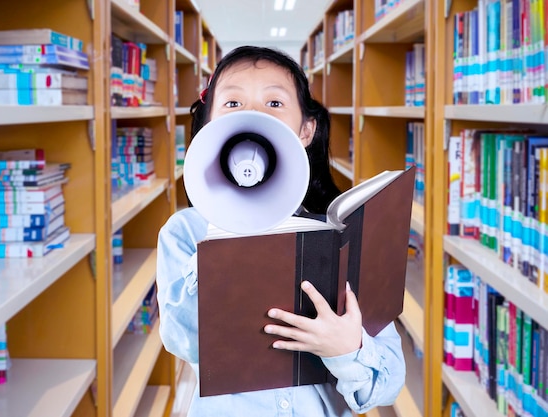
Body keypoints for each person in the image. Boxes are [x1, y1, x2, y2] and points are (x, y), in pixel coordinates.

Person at [156, 45, 406, 416]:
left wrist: (347, 348)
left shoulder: (340, 237)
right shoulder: (186, 232)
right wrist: (226, 233)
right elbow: (185, 341)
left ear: (306, 130)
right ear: (209, 123)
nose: (254, 115)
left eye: (274, 103)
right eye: (233, 103)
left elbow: (387, 384)